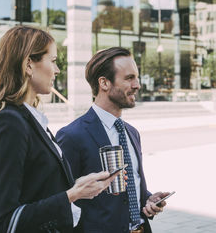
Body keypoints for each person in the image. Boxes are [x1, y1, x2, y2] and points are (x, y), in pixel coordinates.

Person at [0, 26, 120, 233]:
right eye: (53, 61)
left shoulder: (31, 119)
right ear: (29, 64)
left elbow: (37, 189)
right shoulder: (9, 123)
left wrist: (79, 186)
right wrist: (71, 195)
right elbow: (4, 223)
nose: (57, 70)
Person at [56, 47, 170, 233]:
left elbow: (131, 190)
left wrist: (148, 200)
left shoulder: (132, 133)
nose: (137, 85)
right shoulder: (72, 136)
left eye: (137, 78)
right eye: (129, 78)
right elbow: (62, 203)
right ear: (104, 83)